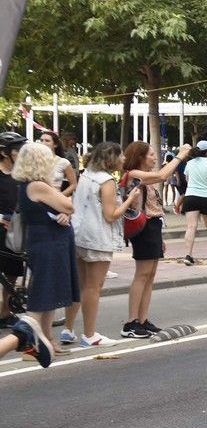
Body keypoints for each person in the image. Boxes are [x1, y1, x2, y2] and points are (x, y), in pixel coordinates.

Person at [60, 142, 142, 346]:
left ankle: (68, 329)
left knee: (79, 285)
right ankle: (89, 335)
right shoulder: (107, 181)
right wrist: (129, 199)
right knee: (93, 287)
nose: (124, 159)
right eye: (120, 155)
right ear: (111, 158)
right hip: (97, 238)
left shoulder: (86, 175)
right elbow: (111, 215)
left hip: (79, 234)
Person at [12, 142, 81, 355]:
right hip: (48, 242)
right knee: (43, 291)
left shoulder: (31, 185)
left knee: (49, 291)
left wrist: (64, 213)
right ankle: (29, 342)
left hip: (49, 240)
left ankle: (46, 339)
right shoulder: (38, 185)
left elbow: (61, 209)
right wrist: (65, 211)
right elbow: (69, 205)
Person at [122, 141, 192, 338]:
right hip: (143, 228)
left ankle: (143, 319)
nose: (154, 158)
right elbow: (163, 175)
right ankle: (131, 322)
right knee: (142, 274)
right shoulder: (134, 175)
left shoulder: (145, 178)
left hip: (152, 226)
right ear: (140, 157)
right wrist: (180, 155)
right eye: (151, 154)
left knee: (150, 275)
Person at [0, 132, 27, 325]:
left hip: (16, 229)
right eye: (17, 150)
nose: (21, 154)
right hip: (2, 226)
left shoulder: (21, 174)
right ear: (5, 152)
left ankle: (4, 313)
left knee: (12, 272)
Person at [181, 140, 207, 265]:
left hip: (191, 197)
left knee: (191, 227)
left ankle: (188, 255)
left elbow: (188, 180)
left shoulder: (189, 164)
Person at [39, 131, 77, 197]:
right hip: (36, 200)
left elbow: (73, 184)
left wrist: (60, 197)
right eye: (41, 140)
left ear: (55, 144)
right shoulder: (34, 161)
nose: (43, 143)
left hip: (54, 200)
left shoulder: (63, 162)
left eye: (47, 141)